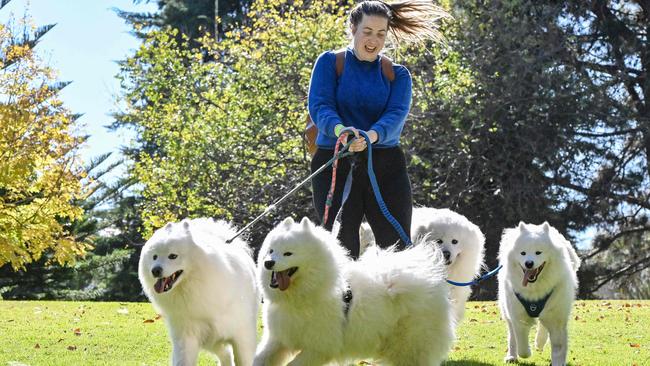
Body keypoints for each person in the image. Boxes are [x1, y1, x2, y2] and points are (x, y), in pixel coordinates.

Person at [308, 0, 449, 259]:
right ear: (353, 28)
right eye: (367, 32)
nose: (374, 40)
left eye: (381, 34)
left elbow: (396, 115)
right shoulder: (329, 63)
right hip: (336, 161)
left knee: (396, 246)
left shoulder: (398, 74)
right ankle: (344, 299)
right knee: (340, 244)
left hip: (385, 165)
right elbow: (320, 105)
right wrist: (344, 131)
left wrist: (369, 136)